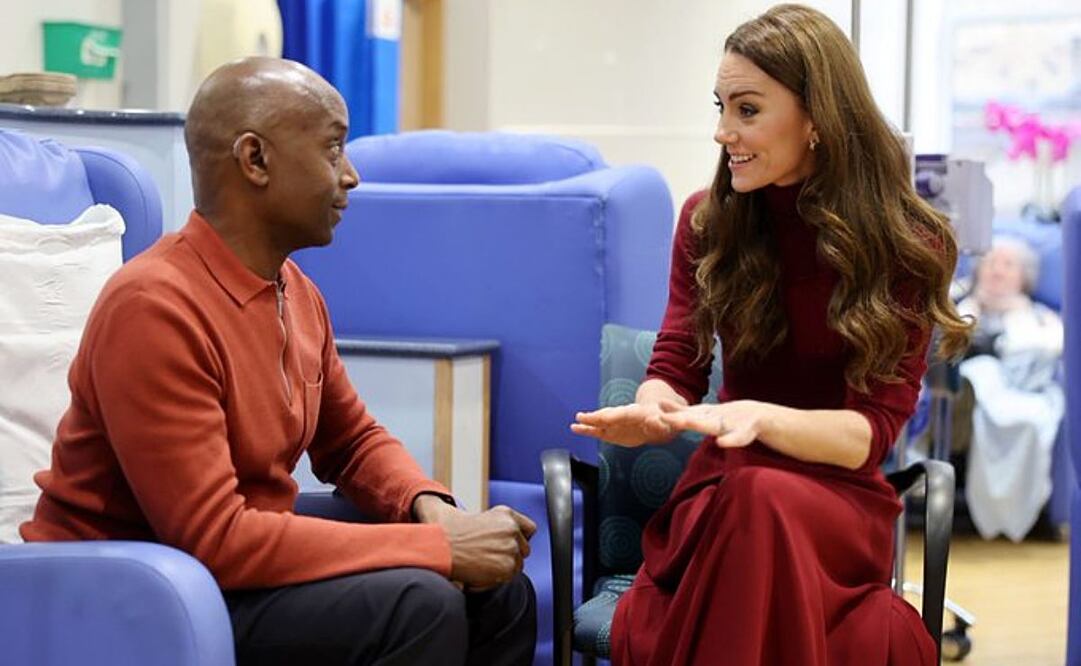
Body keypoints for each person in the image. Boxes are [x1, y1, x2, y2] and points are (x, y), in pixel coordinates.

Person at [21, 57, 536, 666]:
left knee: (502, 594)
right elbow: (215, 538)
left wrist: (431, 508)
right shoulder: (153, 307)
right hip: (124, 591)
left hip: (220, 576)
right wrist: (435, 548)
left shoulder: (295, 290)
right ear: (255, 160)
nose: (352, 176)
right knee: (419, 603)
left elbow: (352, 442)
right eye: (333, 149)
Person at [572, 5, 970, 665]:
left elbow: (868, 435)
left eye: (747, 110)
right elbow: (677, 359)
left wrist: (758, 417)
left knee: (762, 498)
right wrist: (654, 409)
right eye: (720, 107)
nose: (723, 131)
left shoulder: (907, 243)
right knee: (754, 497)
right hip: (725, 494)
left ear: (816, 118)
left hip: (837, 504)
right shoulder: (706, 222)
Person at [955, 236, 1064, 541]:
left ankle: (1021, 516)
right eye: (990, 263)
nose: (997, 271)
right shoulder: (963, 307)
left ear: (1024, 277)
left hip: (1025, 396)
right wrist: (975, 305)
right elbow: (946, 344)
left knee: (1027, 421)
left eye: (1007, 265)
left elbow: (1053, 349)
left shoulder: (1040, 316)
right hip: (970, 398)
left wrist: (1013, 316)